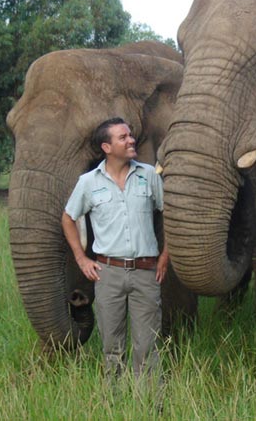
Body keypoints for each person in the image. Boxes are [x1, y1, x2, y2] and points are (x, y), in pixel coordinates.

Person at [61, 117, 168, 382]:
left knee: (148, 345)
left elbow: (171, 214)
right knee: (112, 346)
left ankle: (149, 404)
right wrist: (81, 258)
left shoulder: (149, 175)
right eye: (123, 137)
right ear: (107, 147)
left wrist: (166, 256)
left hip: (147, 272)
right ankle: (115, 401)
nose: (131, 140)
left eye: (130, 135)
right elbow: (68, 218)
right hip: (108, 274)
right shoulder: (88, 182)